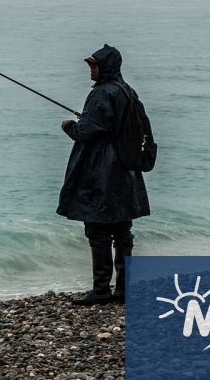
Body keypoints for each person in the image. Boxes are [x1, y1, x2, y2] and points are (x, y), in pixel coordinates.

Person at [57, 44, 151, 305]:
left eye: (94, 65)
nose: (91, 69)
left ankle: (101, 290)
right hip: (125, 170)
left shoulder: (102, 93)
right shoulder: (127, 91)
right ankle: (123, 290)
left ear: (106, 66)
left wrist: (69, 126)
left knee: (97, 231)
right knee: (122, 232)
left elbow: (85, 132)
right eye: (90, 65)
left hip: (101, 171)